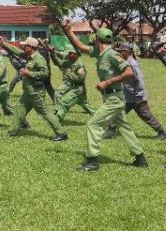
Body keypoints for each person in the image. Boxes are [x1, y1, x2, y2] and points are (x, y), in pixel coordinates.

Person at [63, 21, 147, 171]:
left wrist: (107, 82)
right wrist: (69, 32)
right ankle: (140, 158)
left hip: (114, 98)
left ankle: (92, 161)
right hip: (112, 97)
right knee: (124, 127)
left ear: (97, 39)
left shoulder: (112, 54)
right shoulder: (100, 52)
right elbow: (82, 47)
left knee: (93, 125)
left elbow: (128, 72)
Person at [1, 37, 67, 140]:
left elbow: (45, 73)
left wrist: (29, 73)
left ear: (31, 47)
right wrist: (3, 43)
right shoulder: (29, 55)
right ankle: (12, 132)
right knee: (18, 109)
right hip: (28, 92)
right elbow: (16, 51)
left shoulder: (38, 59)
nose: (23, 47)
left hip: (36, 93)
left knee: (45, 112)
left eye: (25, 45)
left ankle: (61, 133)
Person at [104, 42, 166, 140]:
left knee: (146, 116)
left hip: (136, 98)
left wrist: (139, 96)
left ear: (127, 52)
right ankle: (111, 131)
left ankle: (161, 133)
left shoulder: (133, 64)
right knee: (116, 112)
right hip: (126, 97)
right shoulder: (124, 63)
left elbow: (140, 81)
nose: (119, 53)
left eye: (121, 51)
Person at [49, 45, 96, 124]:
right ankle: (100, 116)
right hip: (72, 86)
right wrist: (53, 54)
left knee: (64, 102)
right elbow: (60, 63)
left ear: (77, 54)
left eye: (72, 53)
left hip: (78, 89)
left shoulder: (79, 64)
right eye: (69, 53)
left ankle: (57, 121)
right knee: (85, 105)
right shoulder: (70, 61)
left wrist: (69, 74)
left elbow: (80, 78)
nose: (70, 54)